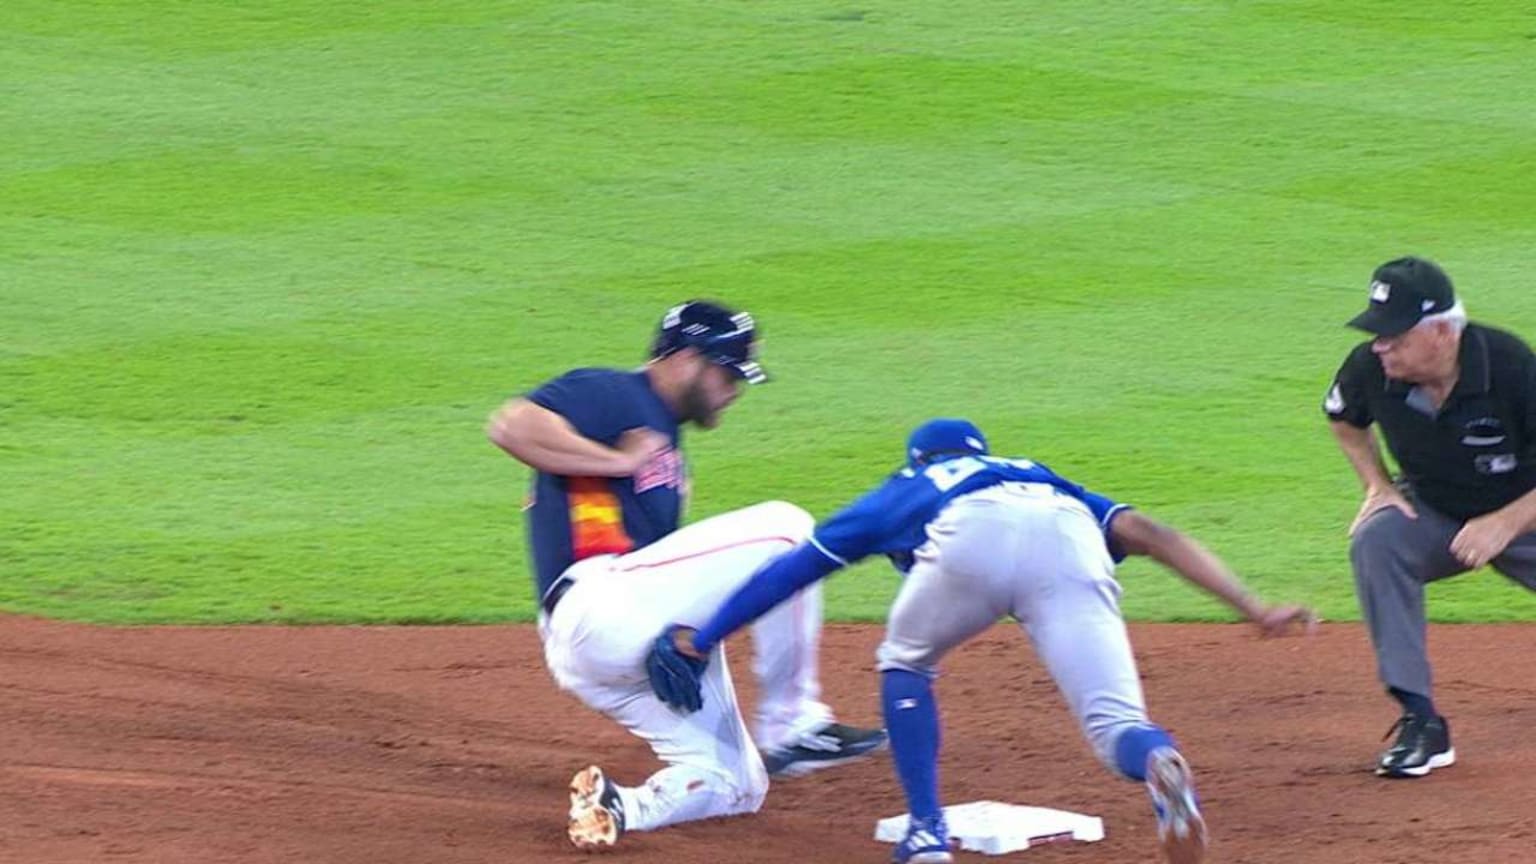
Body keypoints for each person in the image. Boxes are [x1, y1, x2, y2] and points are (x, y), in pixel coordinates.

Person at [645, 418, 1316, 864]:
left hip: (973, 535)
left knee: (905, 661)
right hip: (1069, 539)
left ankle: (928, 832)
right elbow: (1152, 534)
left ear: (920, 458)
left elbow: (795, 568)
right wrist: (1252, 606)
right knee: (1118, 725)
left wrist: (703, 638)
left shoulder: (906, 487)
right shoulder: (1041, 473)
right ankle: (1159, 763)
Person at [487, 300, 886, 849]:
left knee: (738, 784)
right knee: (788, 531)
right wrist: (618, 463)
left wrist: (693, 639)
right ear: (684, 358)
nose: (735, 389)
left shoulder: (667, 445)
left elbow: (669, 573)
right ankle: (791, 725)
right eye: (727, 371)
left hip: (608, 644)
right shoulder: (617, 393)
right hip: (595, 602)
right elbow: (510, 425)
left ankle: (618, 807)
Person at [1325, 256, 1536, 778]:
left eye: (1393, 335)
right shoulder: (1369, 369)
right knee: (1378, 541)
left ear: (1442, 332)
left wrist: (1506, 522)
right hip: (1439, 510)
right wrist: (1376, 485)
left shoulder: (1511, 367)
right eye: (1378, 334)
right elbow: (1343, 419)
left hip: (1526, 513)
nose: (1380, 346)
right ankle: (1421, 721)